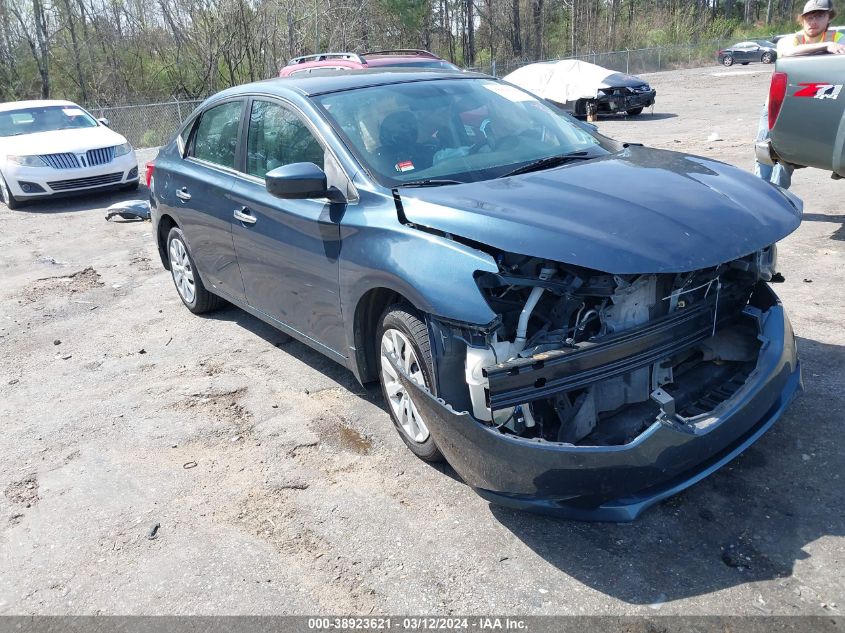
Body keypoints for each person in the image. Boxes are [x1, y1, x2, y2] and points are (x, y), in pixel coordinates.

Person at [754, 0, 845, 188]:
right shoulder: (793, 39)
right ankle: (760, 194)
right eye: (809, 17)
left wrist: (830, 44)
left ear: (829, 17)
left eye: (819, 16)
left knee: (786, 154)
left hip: (813, 105)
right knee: (764, 151)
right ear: (802, 20)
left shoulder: (839, 39)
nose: (813, 21)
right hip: (779, 105)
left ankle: (779, 200)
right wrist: (825, 47)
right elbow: (786, 52)